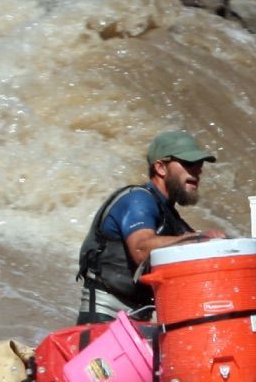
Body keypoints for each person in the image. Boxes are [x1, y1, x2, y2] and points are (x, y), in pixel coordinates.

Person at [76, 129, 227, 324]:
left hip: (138, 318)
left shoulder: (171, 218)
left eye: (199, 164)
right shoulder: (137, 199)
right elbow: (141, 249)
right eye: (189, 163)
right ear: (161, 168)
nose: (197, 170)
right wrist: (198, 238)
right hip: (105, 317)